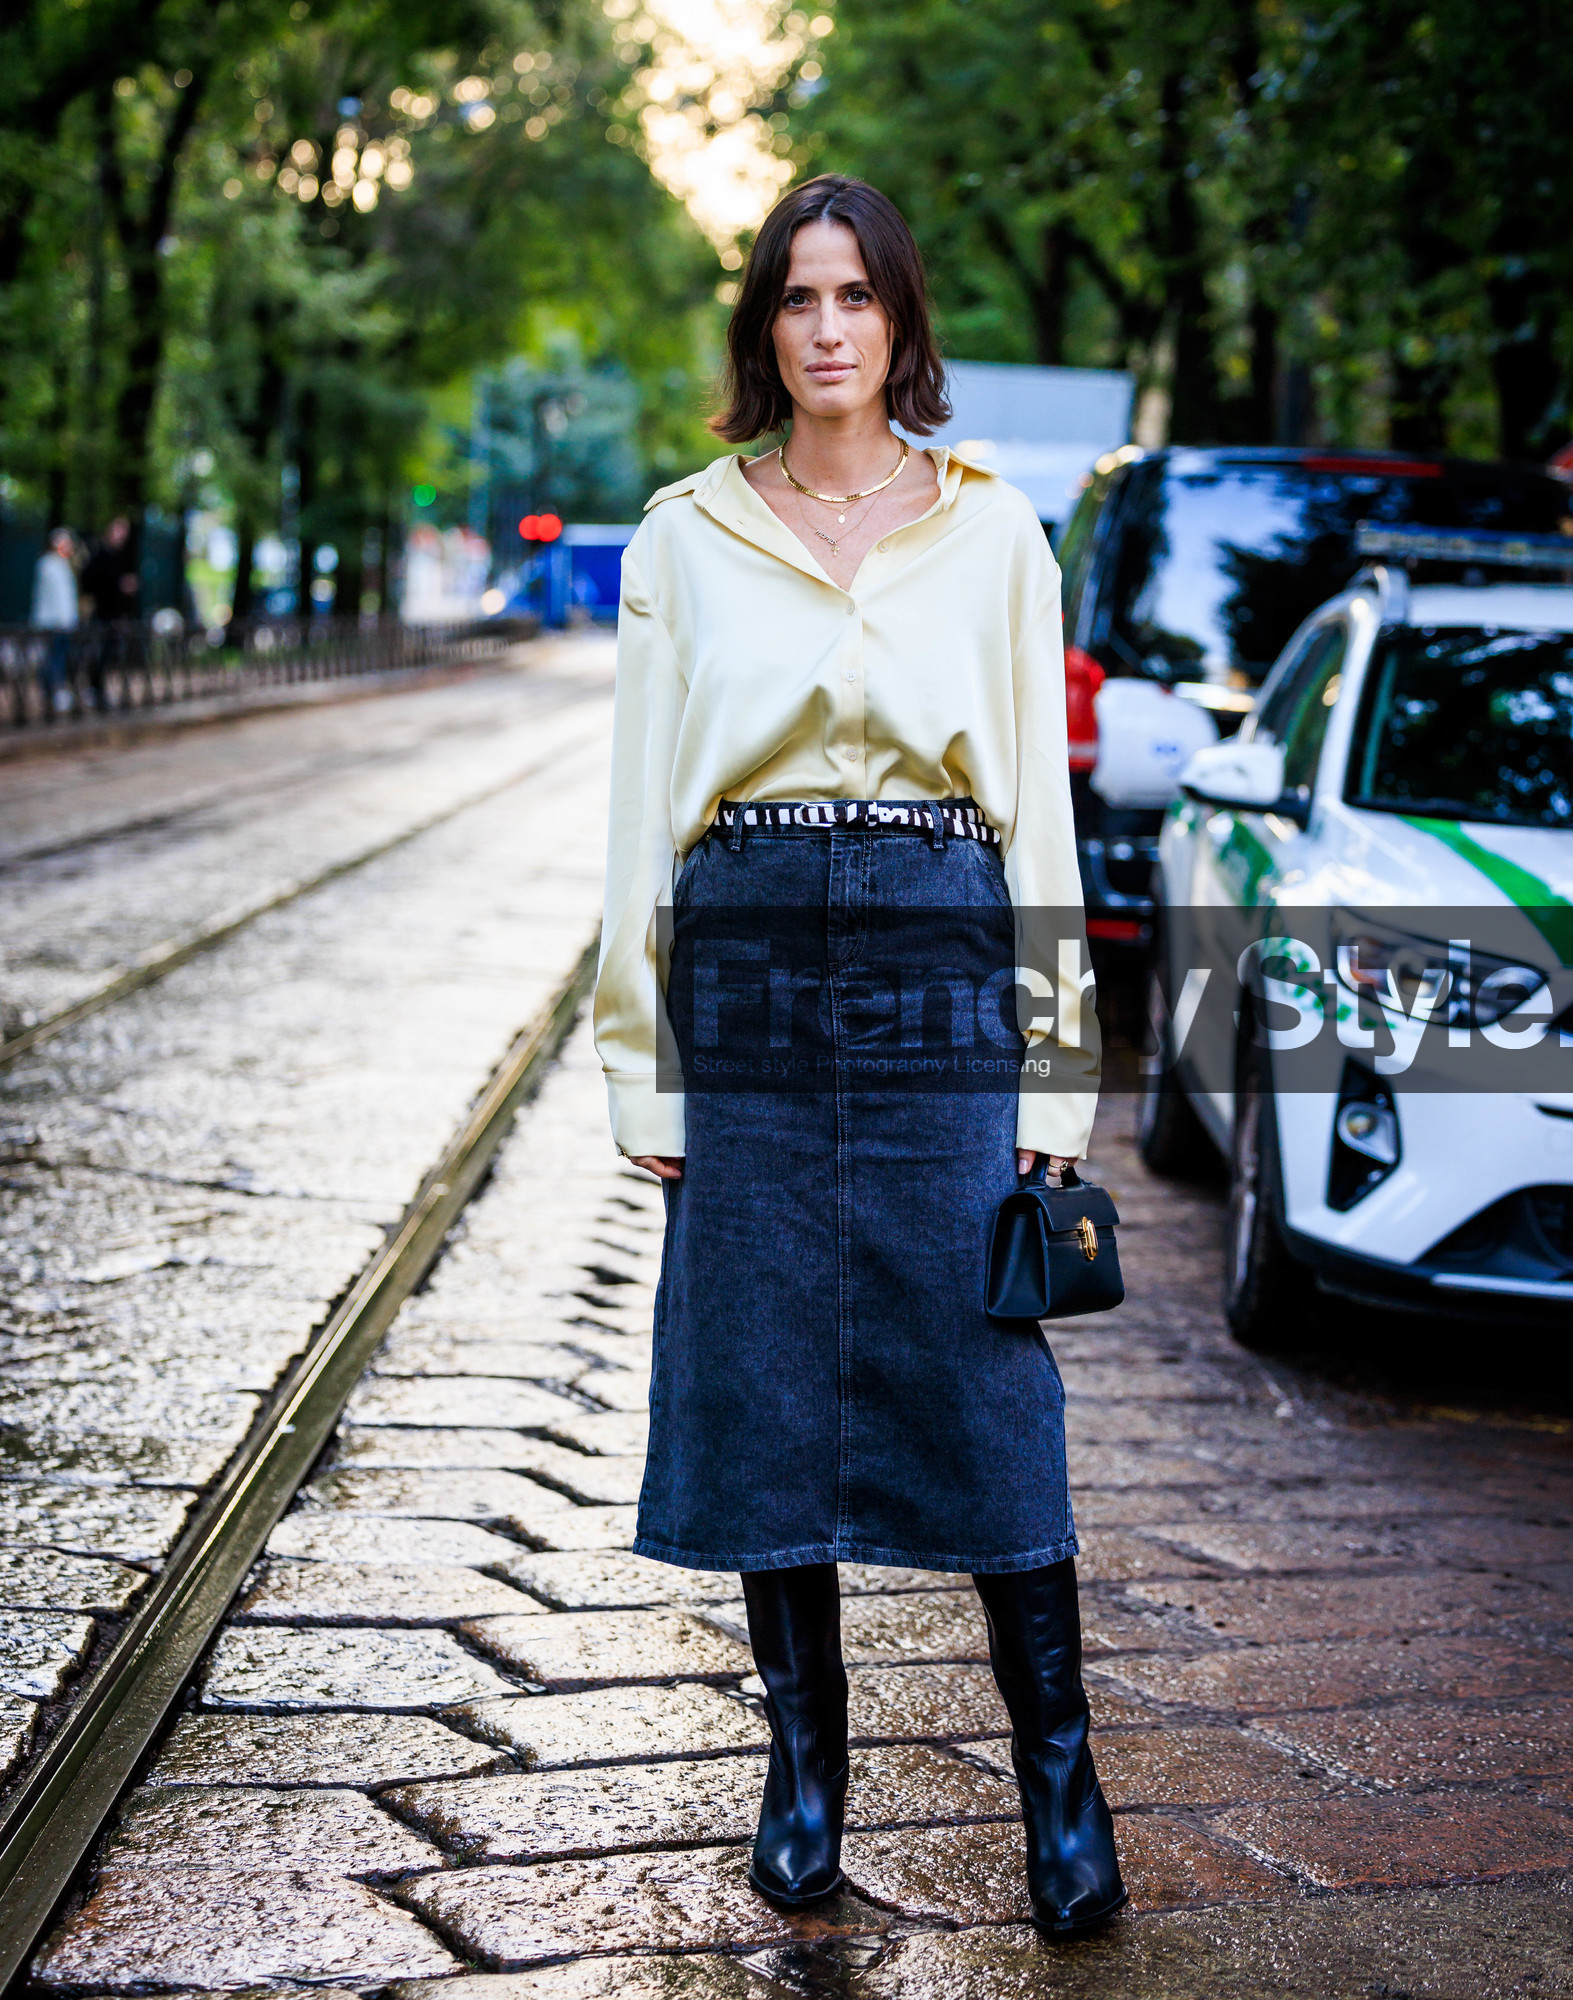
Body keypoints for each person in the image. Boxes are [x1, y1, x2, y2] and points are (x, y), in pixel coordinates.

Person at [595, 175, 1124, 1939]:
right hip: (742, 953)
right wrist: (640, 1069)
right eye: (797, 298)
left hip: (940, 943)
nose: (827, 327)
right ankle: (805, 1775)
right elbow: (637, 827)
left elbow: (1041, 820)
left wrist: (1060, 1077)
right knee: (759, 1367)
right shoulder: (680, 536)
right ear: (764, 329)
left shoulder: (996, 532)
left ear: (902, 322)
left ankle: (1060, 1772)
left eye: (857, 296)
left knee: (984, 1371)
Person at [82, 515, 140, 711]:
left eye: (124, 531)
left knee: (110, 655)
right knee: (99, 654)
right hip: (102, 614)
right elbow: (89, 582)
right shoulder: (100, 555)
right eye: (118, 530)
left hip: (116, 615)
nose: (121, 535)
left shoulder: (122, 557)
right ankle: (93, 689)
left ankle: (101, 690)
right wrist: (118, 584)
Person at [30, 528, 80, 713]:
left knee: (59, 657)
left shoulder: (63, 565)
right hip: (53, 622)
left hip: (63, 622)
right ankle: (52, 692)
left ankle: (55, 691)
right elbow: (55, 598)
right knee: (53, 659)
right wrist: (63, 619)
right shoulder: (48, 564)